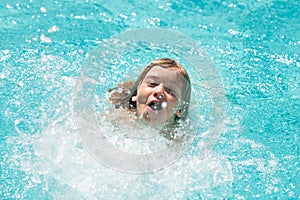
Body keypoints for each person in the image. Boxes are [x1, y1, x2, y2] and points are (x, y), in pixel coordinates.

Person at [107, 58, 191, 139]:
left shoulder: (180, 138)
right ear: (136, 94)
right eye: (152, 84)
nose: (159, 91)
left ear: (180, 109)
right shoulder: (117, 120)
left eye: (170, 90)